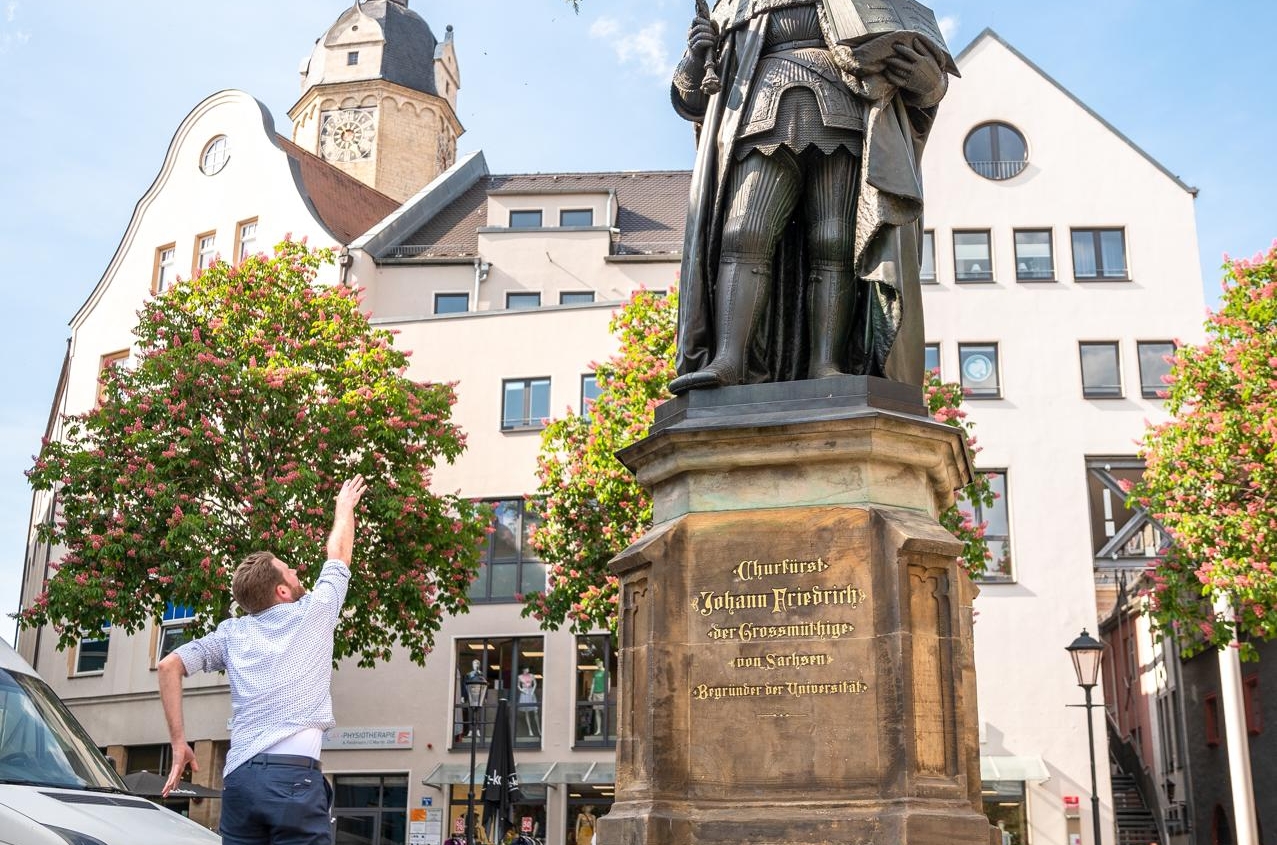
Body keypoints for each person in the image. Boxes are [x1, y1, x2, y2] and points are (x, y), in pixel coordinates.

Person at [668, 0, 956, 394]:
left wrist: (928, 82)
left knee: (835, 241)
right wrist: (695, 55)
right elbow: (695, 100)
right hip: (758, 114)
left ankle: (827, 364)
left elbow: (928, 81)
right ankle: (728, 360)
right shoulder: (734, 4)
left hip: (848, 113)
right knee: (743, 233)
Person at [158, 476, 368, 845]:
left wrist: (179, 742)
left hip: (240, 778)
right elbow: (338, 556)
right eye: (290, 570)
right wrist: (344, 507)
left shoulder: (230, 633)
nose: (297, 572)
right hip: (293, 780)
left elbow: (168, 665)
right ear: (282, 590)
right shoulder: (313, 612)